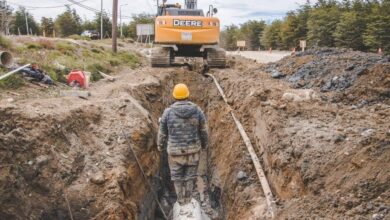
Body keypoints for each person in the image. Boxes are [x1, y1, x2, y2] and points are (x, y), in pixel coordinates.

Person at [157, 83, 208, 205]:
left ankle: (180, 201)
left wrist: (160, 145)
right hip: (193, 152)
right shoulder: (197, 110)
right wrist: (204, 145)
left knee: (176, 177)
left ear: (174, 96)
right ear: (187, 95)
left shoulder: (167, 112)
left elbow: (162, 133)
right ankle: (188, 198)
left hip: (175, 153)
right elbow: (204, 131)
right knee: (190, 176)